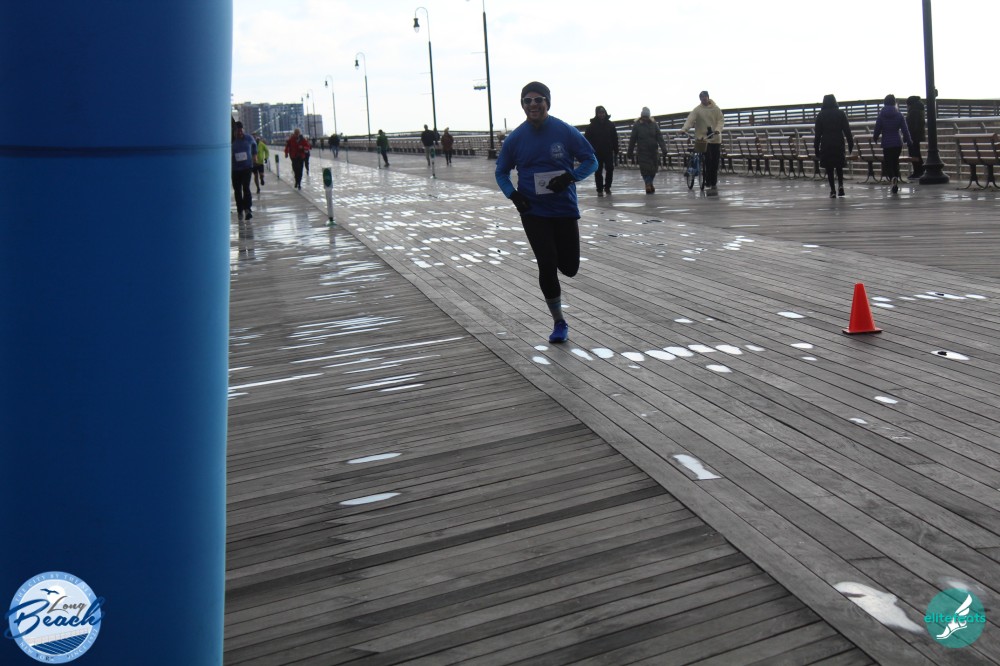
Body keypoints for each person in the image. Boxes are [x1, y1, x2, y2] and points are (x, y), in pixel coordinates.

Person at [495, 82, 597, 344]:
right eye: (527, 101)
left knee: (570, 267)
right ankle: (559, 322)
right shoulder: (516, 138)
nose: (533, 105)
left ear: (547, 103)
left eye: (538, 99)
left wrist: (570, 177)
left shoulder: (564, 130)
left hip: (564, 209)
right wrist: (513, 195)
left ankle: (560, 265)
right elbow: (501, 172)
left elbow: (592, 160)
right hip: (533, 212)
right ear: (522, 105)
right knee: (547, 263)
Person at [681, 91, 725, 196]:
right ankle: (708, 181)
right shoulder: (697, 110)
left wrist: (718, 129)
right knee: (708, 160)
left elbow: (721, 120)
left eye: (705, 97)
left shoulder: (716, 109)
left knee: (715, 162)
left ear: (708, 98)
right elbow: (690, 120)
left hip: (715, 138)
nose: (704, 99)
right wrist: (684, 129)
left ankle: (713, 182)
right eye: (702, 98)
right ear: (700, 99)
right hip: (703, 139)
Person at [813, 94, 854, 198]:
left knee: (829, 167)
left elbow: (817, 134)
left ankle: (832, 190)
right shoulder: (841, 114)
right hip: (838, 142)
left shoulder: (820, 115)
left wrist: (816, 148)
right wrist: (850, 143)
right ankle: (841, 186)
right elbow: (847, 130)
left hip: (826, 143)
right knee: (839, 165)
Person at [874, 94, 911, 194]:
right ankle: (895, 178)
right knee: (895, 162)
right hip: (897, 143)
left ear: (884, 103)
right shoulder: (899, 115)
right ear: (894, 103)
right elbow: (905, 130)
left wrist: (875, 137)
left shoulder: (881, 115)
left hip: (887, 143)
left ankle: (893, 178)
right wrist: (908, 140)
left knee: (888, 163)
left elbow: (877, 128)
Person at [627, 107, 667, 194]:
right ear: (641, 116)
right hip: (642, 151)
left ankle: (650, 183)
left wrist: (664, 149)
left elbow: (659, 137)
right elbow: (632, 139)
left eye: (646, 117)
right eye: (644, 117)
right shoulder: (637, 125)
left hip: (653, 151)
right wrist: (630, 152)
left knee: (653, 169)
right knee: (645, 169)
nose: (645, 118)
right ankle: (648, 184)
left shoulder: (654, 124)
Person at [585, 105, 618, 197]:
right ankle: (599, 189)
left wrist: (616, 150)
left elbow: (615, 138)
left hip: (608, 151)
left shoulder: (610, 125)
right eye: (600, 113)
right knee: (598, 171)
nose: (602, 114)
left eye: (603, 113)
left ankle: (607, 187)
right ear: (597, 114)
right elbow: (586, 139)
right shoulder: (591, 126)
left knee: (610, 169)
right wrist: (589, 151)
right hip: (597, 152)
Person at [231, 121, 257, 221]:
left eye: (241, 131)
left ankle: (247, 209)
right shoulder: (232, 140)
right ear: (234, 131)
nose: (239, 133)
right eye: (237, 131)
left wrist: (254, 156)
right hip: (235, 169)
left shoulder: (248, 138)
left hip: (247, 167)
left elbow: (254, 145)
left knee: (246, 187)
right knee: (237, 190)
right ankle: (240, 210)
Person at [906, 95, 926, 179]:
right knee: (916, 153)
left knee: (914, 154)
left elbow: (913, 125)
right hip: (917, 136)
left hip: (913, 136)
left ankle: (917, 171)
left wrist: (909, 135)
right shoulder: (919, 109)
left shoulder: (914, 111)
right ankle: (919, 170)